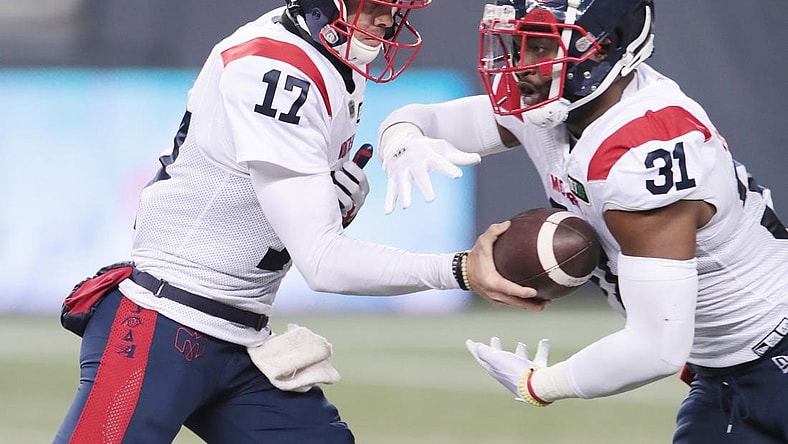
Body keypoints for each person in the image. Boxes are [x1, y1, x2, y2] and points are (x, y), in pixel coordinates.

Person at [54, 1, 543, 443]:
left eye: (395, 8)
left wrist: (331, 201)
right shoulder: (276, 66)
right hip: (166, 320)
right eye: (374, 5)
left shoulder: (328, 59)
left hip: (239, 335)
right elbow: (324, 263)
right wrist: (460, 270)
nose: (388, 21)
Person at [375, 0, 788, 442]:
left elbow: (656, 348)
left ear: (604, 47)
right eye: (517, 47)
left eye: (540, 49)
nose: (520, 67)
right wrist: (402, 138)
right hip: (724, 370)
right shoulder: (556, 104)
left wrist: (538, 385)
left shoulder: (643, 146)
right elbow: (428, 118)